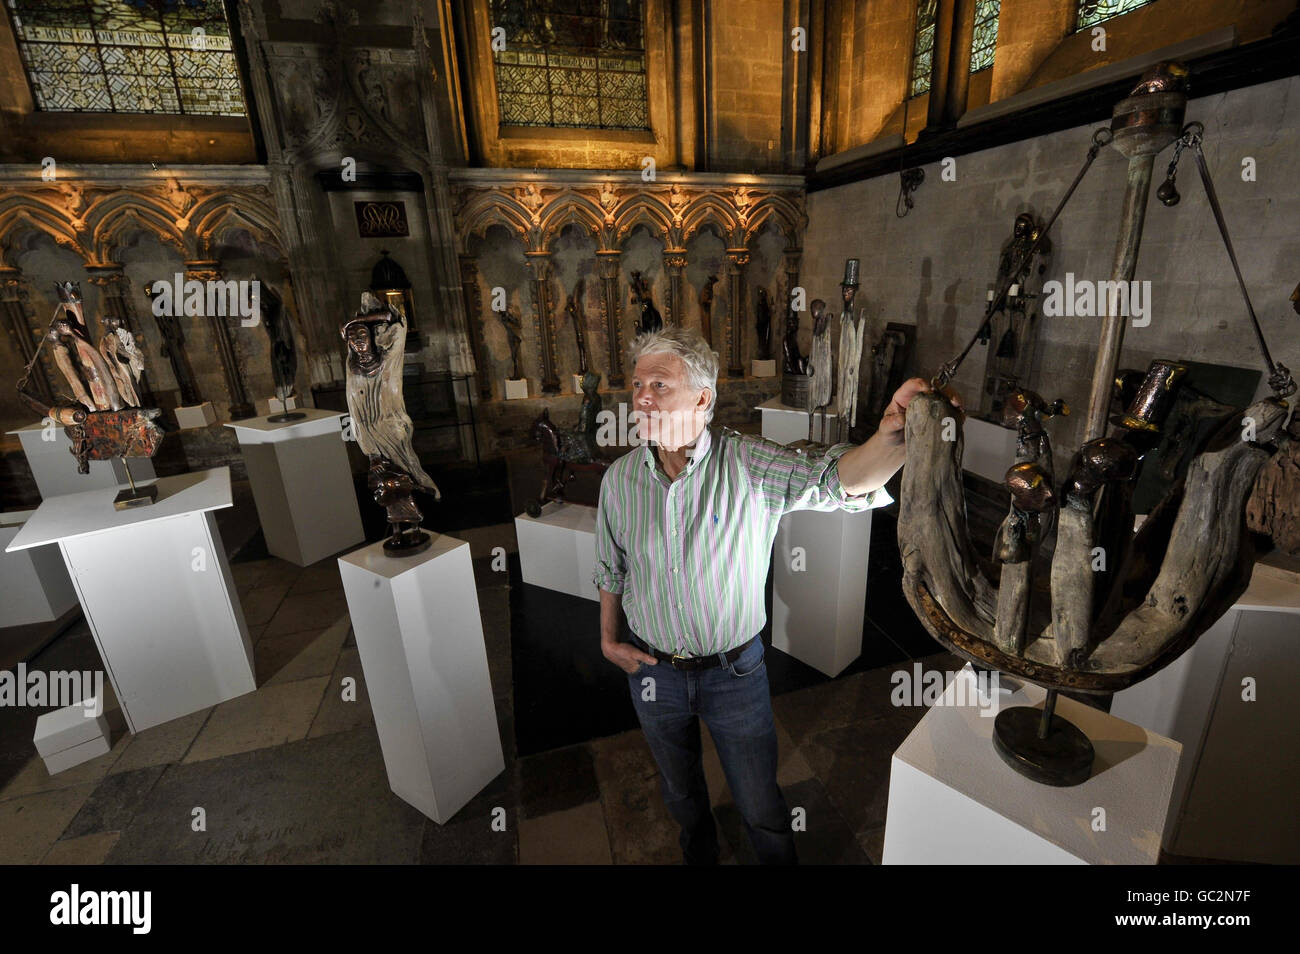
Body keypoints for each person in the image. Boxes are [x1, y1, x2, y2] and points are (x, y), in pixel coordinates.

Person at [592, 325, 960, 864]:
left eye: (659, 385)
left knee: (761, 803)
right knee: (680, 794)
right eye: (637, 384)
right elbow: (610, 565)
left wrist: (892, 439)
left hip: (733, 675)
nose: (641, 397)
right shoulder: (621, 480)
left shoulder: (747, 464)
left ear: (702, 397)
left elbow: (836, 481)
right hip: (653, 673)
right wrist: (607, 641)